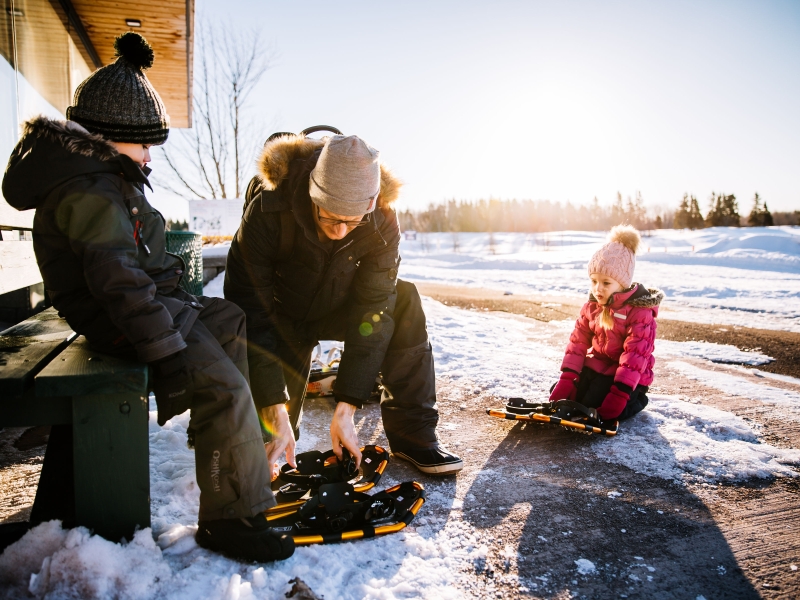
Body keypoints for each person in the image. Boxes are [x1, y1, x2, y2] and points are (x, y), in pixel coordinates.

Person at [1, 33, 293, 562]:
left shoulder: (103, 179)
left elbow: (137, 267)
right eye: (144, 144)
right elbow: (120, 281)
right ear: (108, 137)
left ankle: (223, 450)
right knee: (225, 389)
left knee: (228, 318)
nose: (150, 154)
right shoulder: (89, 189)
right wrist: (167, 355)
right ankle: (232, 518)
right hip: (121, 320)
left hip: (141, 307)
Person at [223, 133, 463, 476]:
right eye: (330, 216)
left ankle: (415, 436)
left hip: (339, 306)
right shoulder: (268, 207)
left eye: (351, 222)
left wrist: (346, 407)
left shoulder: (382, 219)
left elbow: (374, 310)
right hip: (279, 316)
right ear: (313, 194)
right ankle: (260, 437)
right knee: (268, 434)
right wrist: (275, 408)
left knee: (403, 300)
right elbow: (250, 310)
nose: (339, 230)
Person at [549, 225, 664, 421]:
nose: (597, 288)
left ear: (623, 283)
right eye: (594, 281)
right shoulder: (592, 307)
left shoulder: (639, 313)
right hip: (598, 367)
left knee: (597, 402)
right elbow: (577, 344)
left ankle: (636, 400)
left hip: (628, 379)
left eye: (606, 283)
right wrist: (568, 378)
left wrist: (620, 394)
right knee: (570, 396)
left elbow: (634, 357)